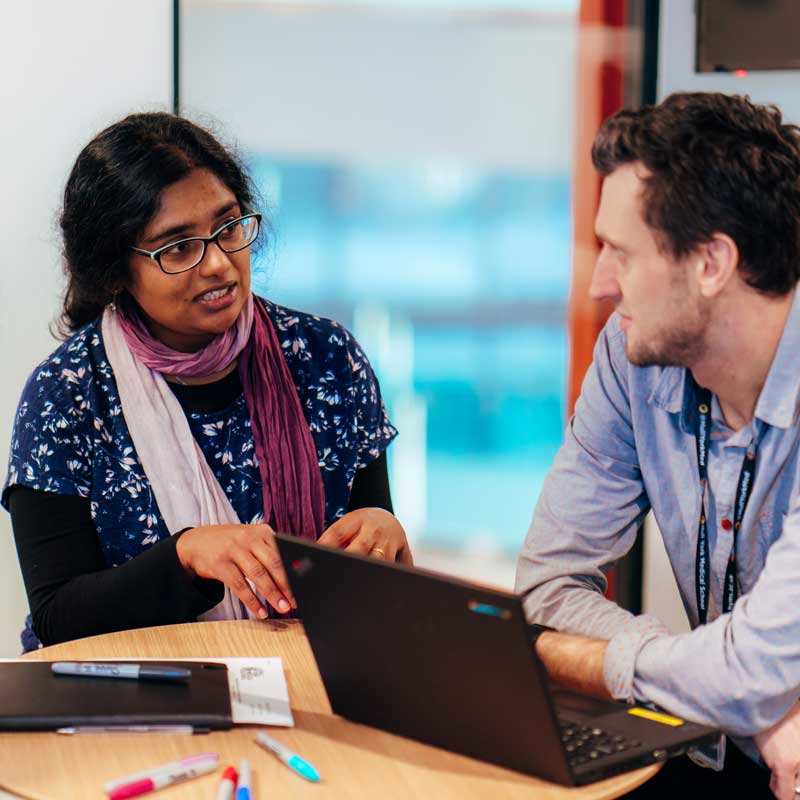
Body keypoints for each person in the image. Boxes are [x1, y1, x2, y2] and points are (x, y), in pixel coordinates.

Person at [2, 112, 411, 651]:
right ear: (115, 269)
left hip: (314, 679)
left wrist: (383, 529)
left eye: (228, 227)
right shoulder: (69, 394)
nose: (219, 263)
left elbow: (368, 549)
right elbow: (58, 618)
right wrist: (187, 556)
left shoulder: (325, 358)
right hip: (135, 700)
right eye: (177, 247)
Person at [515, 92, 800, 800]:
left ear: (712, 262)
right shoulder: (631, 356)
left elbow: (748, 674)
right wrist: (741, 694)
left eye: (620, 251)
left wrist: (563, 657)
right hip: (745, 742)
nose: (598, 284)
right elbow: (546, 588)